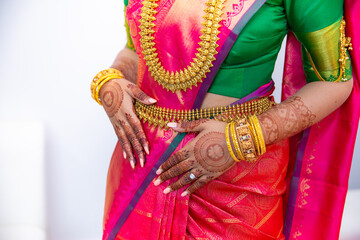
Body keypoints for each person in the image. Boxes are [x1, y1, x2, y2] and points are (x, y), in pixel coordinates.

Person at [91, 0, 360, 239]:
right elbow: (133, 50)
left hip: (237, 177)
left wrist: (240, 139)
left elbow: (335, 82)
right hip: (142, 165)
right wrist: (111, 80)